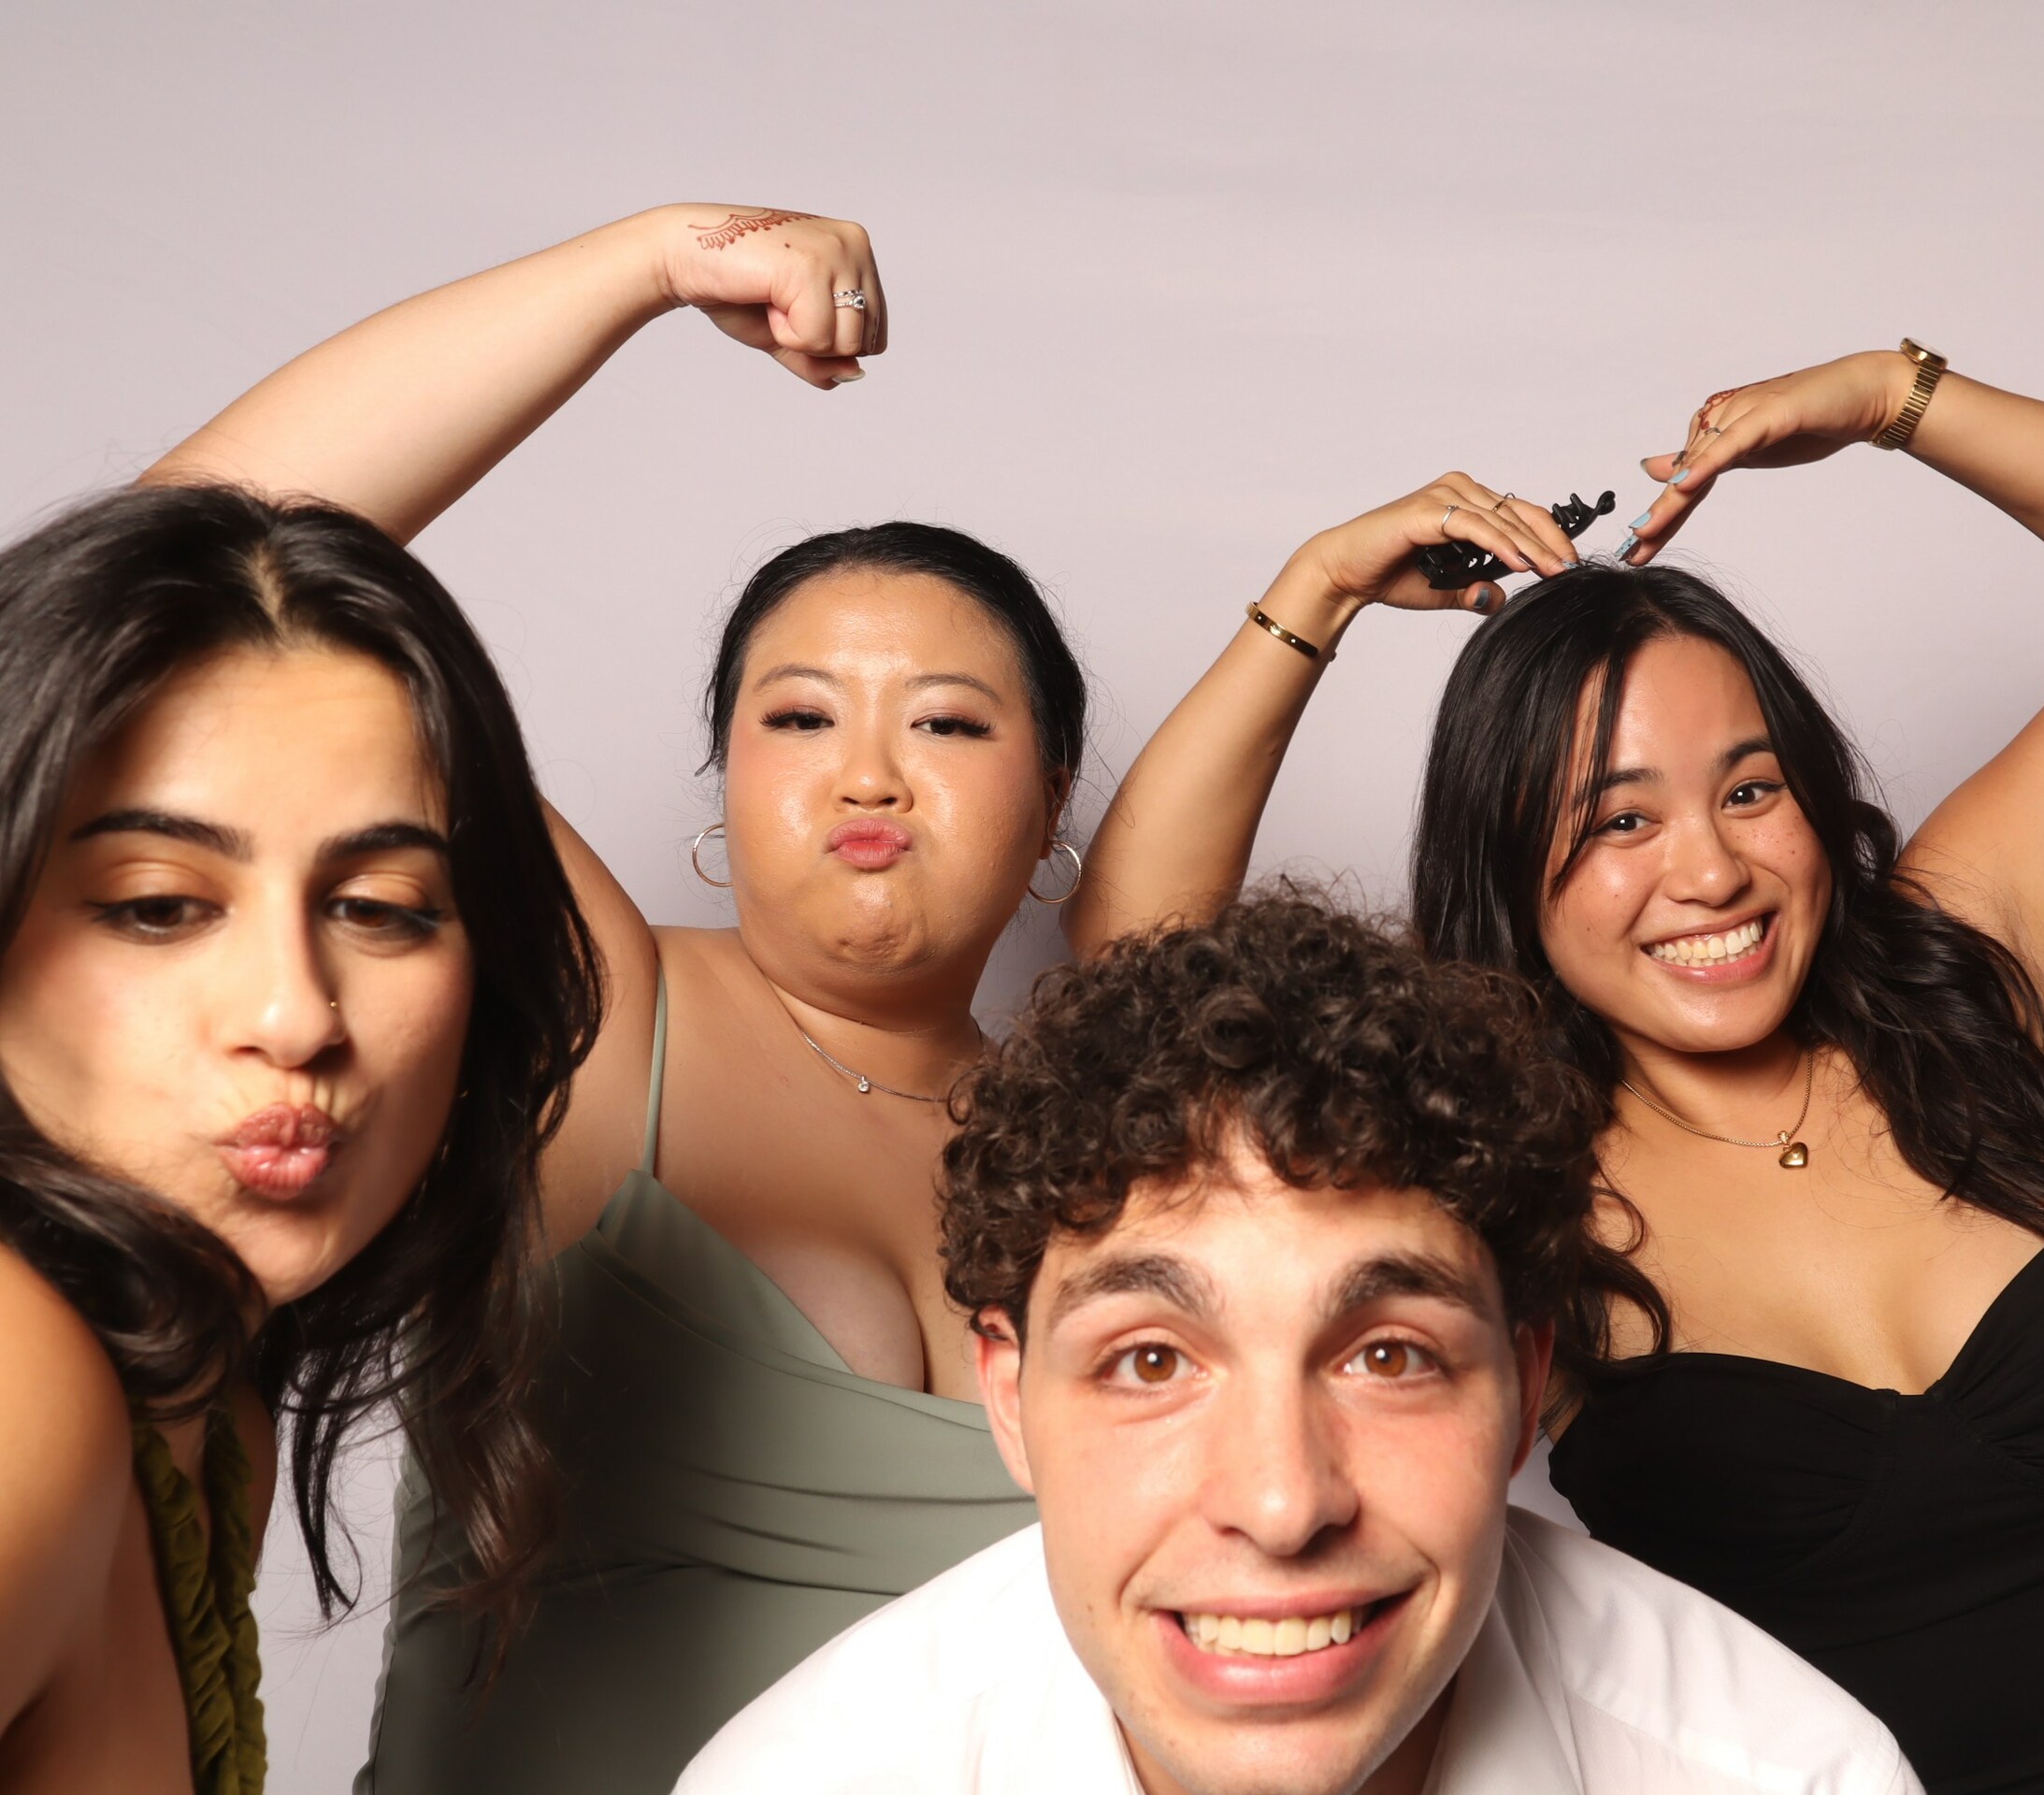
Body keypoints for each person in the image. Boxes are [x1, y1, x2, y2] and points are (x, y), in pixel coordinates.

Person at [1068, 344, 2044, 1794]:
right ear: (1509, 866)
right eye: (1619, 822)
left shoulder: (1968, 975)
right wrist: (1318, 591)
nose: (1712, 871)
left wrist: (1892, 400)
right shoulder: (1490, 1162)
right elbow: (1130, 981)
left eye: (1750, 789)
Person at [151, 205, 1073, 1790]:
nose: (867, 775)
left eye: (945, 724)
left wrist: (1302, 614)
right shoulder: (600, 1011)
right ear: (724, 786)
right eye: (800, 718)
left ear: (1050, 806)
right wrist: (652, 263)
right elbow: (196, 565)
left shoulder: (1087, 1122)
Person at [678, 893, 1918, 1795]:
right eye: (1151, 1361)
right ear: (1009, 1401)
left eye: (1390, 1356)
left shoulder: (1792, 1775)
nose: (1281, 1506)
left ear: (1526, 1383)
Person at [0, 484, 599, 1795]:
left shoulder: (211, 1409)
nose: (296, 1015)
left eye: (380, 907)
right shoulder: (17, 1383)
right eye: (158, 905)